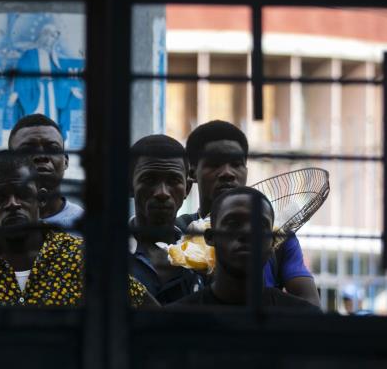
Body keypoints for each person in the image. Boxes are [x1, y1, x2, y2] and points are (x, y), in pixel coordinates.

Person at [0, 150, 154, 307]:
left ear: (40, 200)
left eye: (22, 194)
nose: (13, 204)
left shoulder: (84, 259)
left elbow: (146, 310)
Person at [179, 120, 320, 306]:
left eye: (236, 164)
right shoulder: (178, 234)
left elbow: (310, 306)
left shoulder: (278, 236)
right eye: (214, 165)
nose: (227, 173)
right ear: (192, 172)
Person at [174, 187, 321, 311]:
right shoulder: (177, 323)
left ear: (273, 242)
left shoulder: (303, 319)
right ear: (210, 237)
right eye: (232, 223)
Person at [0, 114, 83, 238]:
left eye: (52, 148)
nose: (41, 156)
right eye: (27, 150)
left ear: (66, 161)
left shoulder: (84, 222)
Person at [128, 135, 205, 304]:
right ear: (129, 186)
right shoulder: (105, 253)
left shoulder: (205, 255)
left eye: (173, 180)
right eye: (149, 180)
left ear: (187, 188)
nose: (162, 192)